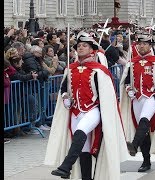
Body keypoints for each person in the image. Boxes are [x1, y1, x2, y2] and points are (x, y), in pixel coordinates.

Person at [44, 31, 128, 180]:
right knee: (84, 150)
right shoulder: (71, 68)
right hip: (76, 111)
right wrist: (65, 97)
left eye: (85, 46)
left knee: (81, 131)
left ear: (91, 49)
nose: (81, 48)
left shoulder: (99, 70)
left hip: (93, 110)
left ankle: (66, 166)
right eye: (79, 46)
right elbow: (64, 88)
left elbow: (106, 95)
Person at [120, 34, 155, 172]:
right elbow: (126, 80)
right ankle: (146, 160)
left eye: (144, 44)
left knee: (144, 120)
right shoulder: (132, 62)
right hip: (137, 98)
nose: (141, 46)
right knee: (143, 131)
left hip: (151, 97)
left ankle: (134, 145)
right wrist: (128, 88)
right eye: (139, 43)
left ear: (150, 46)